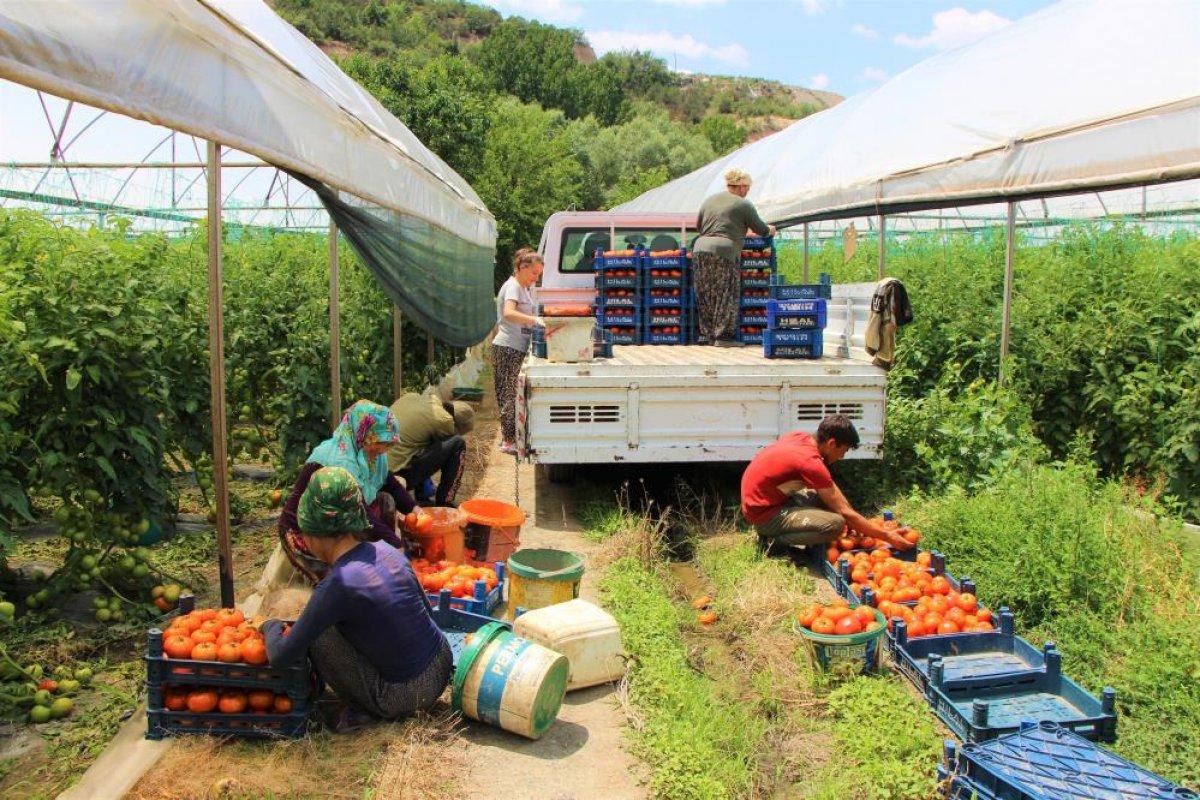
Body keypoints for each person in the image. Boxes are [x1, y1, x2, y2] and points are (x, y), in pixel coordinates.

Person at [263, 466, 452, 732]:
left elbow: (281, 655)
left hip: (405, 697)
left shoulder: (338, 584)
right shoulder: (386, 550)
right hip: (441, 666)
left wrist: (269, 625)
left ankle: (365, 710)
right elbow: (425, 614)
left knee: (320, 631)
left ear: (314, 534)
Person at [279, 400, 418, 582]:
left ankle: (369, 558)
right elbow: (362, 511)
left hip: (338, 523)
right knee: (338, 581)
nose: (385, 449)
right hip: (309, 531)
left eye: (388, 443)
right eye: (380, 442)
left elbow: (390, 483)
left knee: (385, 500)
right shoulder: (340, 461)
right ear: (362, 435)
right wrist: (394, 545)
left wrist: (414, 509)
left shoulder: (372, 455)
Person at [741, 415, 914, 552]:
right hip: (763, 514)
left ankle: (779, 530)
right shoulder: (810, 462)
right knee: (835, 525)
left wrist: (858, 522)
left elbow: (834, 495)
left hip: (763, 500)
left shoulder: (800, 437)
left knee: (825, 501)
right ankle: (774, 540)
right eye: (843, 451)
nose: (842, 457)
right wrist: (887, 536)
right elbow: (843, 512)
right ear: (832, 444)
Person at [692, 168, 777, 346]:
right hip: (725, 251)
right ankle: (723, 337)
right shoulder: (743, 205)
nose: (747, 192)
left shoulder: (709, 200)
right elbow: (761, 229)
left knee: (706, 292)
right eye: (747, 188)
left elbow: (698, 226)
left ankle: (707, 335)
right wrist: (771, 229)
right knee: (725, 292)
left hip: (700, 249)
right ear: (740, 187)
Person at [493, 248, 545, 455]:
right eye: (534, 273)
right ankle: (508, 441)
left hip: (516, 347)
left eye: (539, 274)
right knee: (508, 393)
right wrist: (534, 320)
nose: (536, 277)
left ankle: (511, 437)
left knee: (514, 392)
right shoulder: (513, 286)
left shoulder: (523, 288)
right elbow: (508, 313)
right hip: (508, 348)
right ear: (522, 268)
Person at [387, 392, 475, 507]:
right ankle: (445, 501)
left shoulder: (413, 398)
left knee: (424, 440)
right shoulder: (445, 420)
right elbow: (445, 448)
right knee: (458, 444)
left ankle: (423, 492)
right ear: (456, 425)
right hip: (394, 478)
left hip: (379, 468)